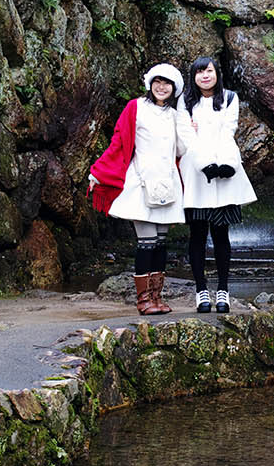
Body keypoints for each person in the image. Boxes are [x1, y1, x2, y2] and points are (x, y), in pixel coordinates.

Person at [87, 63, 193, 315]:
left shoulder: (177, 114)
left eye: (167, 83)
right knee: (146, 242)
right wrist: (98, 172)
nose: (161, 87)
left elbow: (182, 150)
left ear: (174, 88)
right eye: (158, 81)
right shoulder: (135, 107)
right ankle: (143, 300)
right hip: (142, 180)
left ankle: (157, 297)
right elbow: (119, 142)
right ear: (150, 83)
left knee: (161, 243)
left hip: (168, 183)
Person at [178, 56, 257, 313]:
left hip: (225, 172)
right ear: (193, 76)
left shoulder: (230, 98)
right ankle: (201, 291)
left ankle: (223, 290)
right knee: (198, 234)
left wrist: (226, 164)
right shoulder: (185, 100)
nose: (204, 76)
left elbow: (228, 131)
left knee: (221, 233)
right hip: (196, 174)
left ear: (216, 73)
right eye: (199, 72)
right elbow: (186, 134)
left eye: (208, 71)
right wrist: (204, 164)